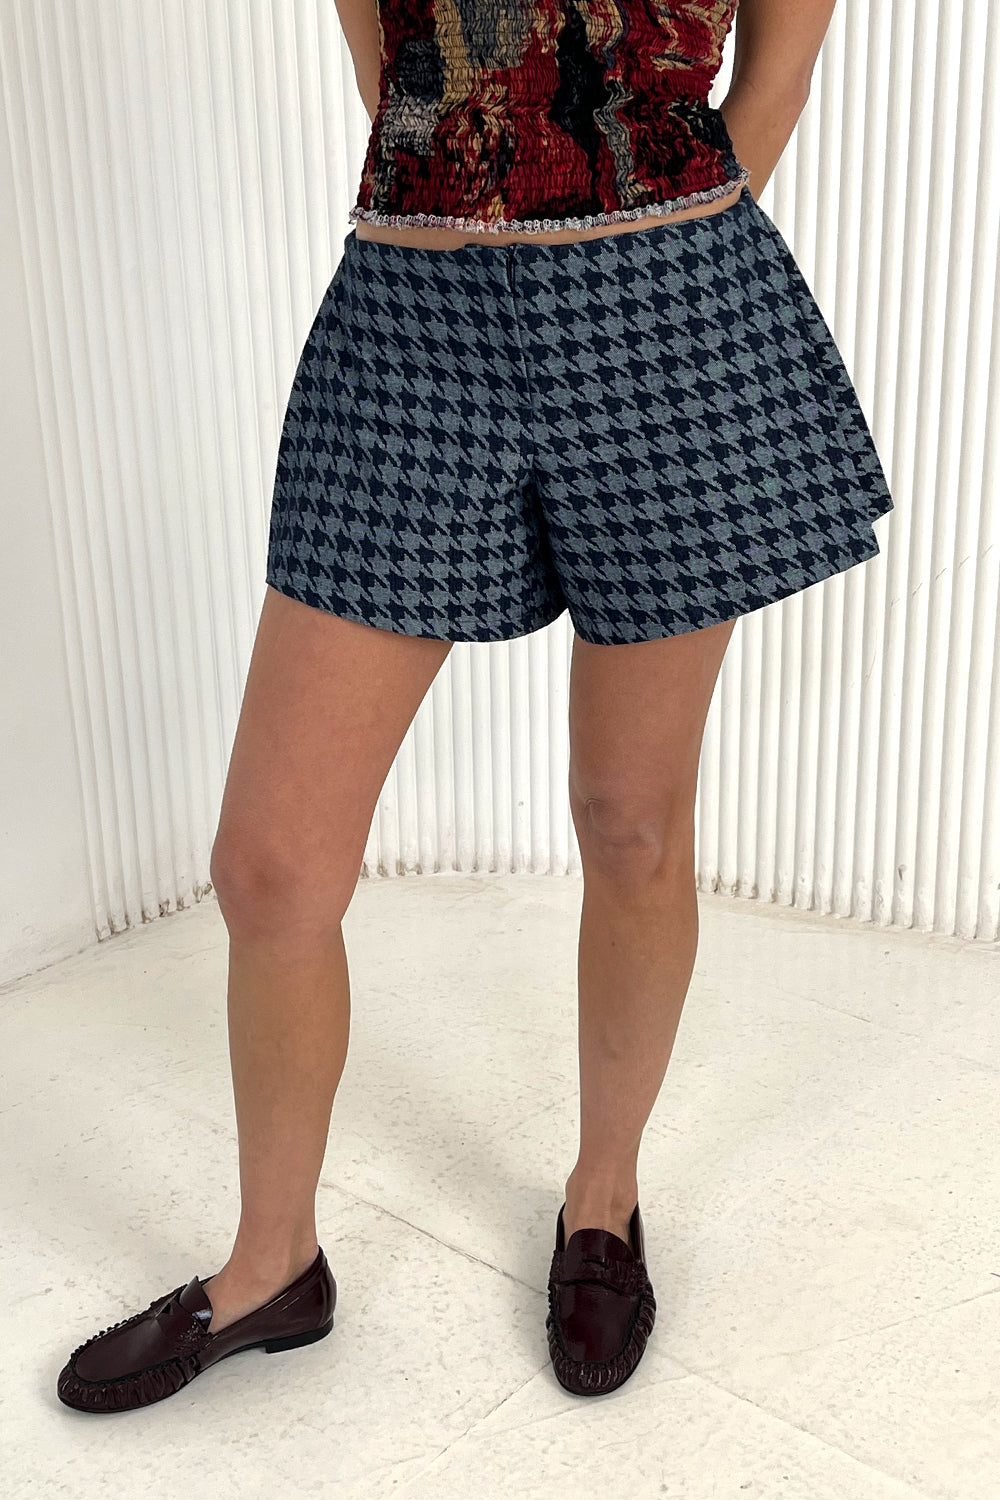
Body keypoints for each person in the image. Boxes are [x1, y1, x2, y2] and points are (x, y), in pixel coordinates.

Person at [57, 0, 893, 1412]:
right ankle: (271, 1267)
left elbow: (782, 71)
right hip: (412, 322)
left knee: (629, 819)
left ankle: (604, 1203)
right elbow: (389, 67)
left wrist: (644, 248)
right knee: (272, 867)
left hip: (666, 319)